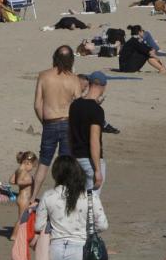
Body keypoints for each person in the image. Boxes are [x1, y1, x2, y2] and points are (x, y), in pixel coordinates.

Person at [32, 45, 82, 199]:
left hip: (50, 122)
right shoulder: (74, 79)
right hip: (67, 122)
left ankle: (32, 197)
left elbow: (37, 104)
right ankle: (63, 196)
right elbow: (78, 106)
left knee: (44, 162)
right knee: (65, 162)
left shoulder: (44, 76)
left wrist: (44, 122)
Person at [69, 71, 108, 192]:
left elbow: (69, 133)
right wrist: (97, 170)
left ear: (89, 84)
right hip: (89, 160)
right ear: (103, 86)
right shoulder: (97, 110)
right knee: (92, 200)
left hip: (75, 157)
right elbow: (94, 140)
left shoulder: (75, 105)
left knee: (76, 198)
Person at [9, 151, 38, 241]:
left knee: (24, 217)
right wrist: (29, 182)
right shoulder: (24, 172)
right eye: (32, 166)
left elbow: (11, 181)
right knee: (22, 218)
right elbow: (18, 182)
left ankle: (22, 233)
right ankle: (14, 235)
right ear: (27, 163)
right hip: (24, 198)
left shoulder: (19, 170)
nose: (32, 168)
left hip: (22, 197)